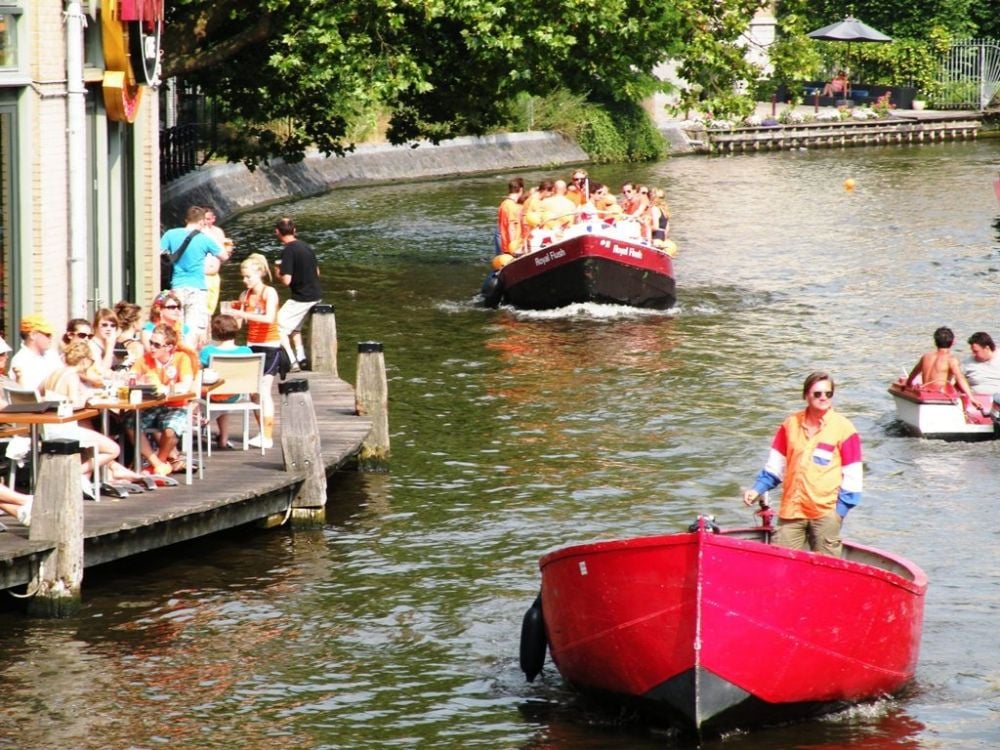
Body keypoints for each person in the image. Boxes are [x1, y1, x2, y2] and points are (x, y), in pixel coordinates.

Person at [742, 372, 863, 557]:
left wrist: (838, 513)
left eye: (828, 394)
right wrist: (756, 489)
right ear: (806, 395)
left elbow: (853, 478)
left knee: (827, 571)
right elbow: (775, 468)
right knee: (780, 565)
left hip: (825, 513)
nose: (823, 398)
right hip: (792, 510)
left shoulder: (844, 429)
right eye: (817, 394)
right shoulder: (790, 425)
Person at [127, 324, 195, 476]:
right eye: (151, 343)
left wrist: (165, 389)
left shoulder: (181, 358)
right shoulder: (145, 360)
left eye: (157, 345)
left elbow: (186, 384)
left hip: (176, 405)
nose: (152, 347)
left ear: (169, 347)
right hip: (151, 405)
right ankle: (157, 464)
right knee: (131, 423)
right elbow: (131, 378)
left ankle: (160, 461)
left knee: (170, 429)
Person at [228, 253, 281, 449]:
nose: (245, 280)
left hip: (270, 345)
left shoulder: (269, 292)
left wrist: (243, 313)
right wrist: (231, 317)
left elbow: (269, 318)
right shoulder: (245, 295)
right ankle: (261, 432)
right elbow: (240, 325)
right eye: (243, 277)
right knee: (253, 392)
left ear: (259, 273)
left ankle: (267, 436)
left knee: (265, 389)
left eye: (248, 276)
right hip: (252, 344)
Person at [160, 205, 230, 346]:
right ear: (201, 222)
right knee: (194, 329)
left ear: (187, 219)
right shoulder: (204, 239)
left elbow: (160, 252)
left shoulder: (170, 234)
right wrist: (209, 234)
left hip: (178, 285)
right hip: (198, 287)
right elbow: (224, 256)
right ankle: (189, 358)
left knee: (176, 325)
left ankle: (176, 356)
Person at [273, 217, 322, 372]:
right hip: (316, 294)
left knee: (276, 326)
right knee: (295, 328)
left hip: (302, 298)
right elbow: (317, 272)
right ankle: (302, 358)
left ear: (277, 232)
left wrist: (277, 273)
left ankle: (292, 361)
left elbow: (287, 280)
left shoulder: (288, 250)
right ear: (294, 231)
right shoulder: (306, 247)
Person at [199, 314, 254, 449]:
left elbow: (197, 371)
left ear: (215, 332)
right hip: (235, 395)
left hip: (213, 395)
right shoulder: (246, 351)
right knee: (223, 394)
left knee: (208, 390)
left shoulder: (208, 351)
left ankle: (198, 425)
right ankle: (223, 439)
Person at [904, 326, 977, 407]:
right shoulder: (951, 360)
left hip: (924, 395)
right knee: (957, 388)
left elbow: (913, 374)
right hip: (939, 397)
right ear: (953, 342)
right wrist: (971, 397)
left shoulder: (926, 357)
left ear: (935, 342)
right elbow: (960, 378)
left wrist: (908, 384)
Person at [10, 314, 61, 392]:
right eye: (47, 335)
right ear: (33, 335)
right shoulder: (20, 360)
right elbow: (25, 395)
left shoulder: (52, 354)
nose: (51, 338)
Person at [496, 177, 525, 256]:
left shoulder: (503, 204)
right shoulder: (512, 206)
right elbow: (511, 228)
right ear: (521, 190)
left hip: (504, 245)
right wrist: (514, 249)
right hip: (512, 248)